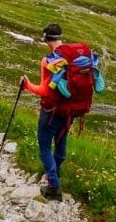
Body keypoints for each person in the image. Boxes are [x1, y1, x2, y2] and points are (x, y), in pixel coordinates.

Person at [20, 23, 101, 201]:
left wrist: (26, 85)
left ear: (46, 39)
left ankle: (53, 186)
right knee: (61, 144)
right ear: (60, 37)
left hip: (51, 111)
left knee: (44, 146)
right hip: (70, 112)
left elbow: (44, 90)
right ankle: (53, 176)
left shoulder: (49, 60)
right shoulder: (74, 58)